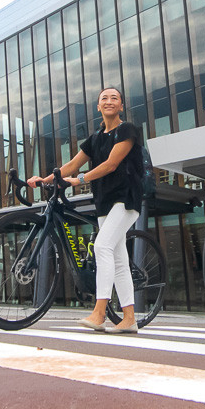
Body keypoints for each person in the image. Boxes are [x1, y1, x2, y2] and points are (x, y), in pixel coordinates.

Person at [28, 86, 145, 334]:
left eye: (115, 98)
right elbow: (71, 164)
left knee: (102, 247)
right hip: (104, 201)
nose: (109, 101)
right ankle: (129, 318)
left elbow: (112, 164)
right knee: (118, 259)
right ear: (98, 106)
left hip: (126, 199)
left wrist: (81, 180)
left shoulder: (127, 130)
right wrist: (46, 180)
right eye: (105, 98)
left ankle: (99, 312)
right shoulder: (95, 138)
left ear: (121, 106)